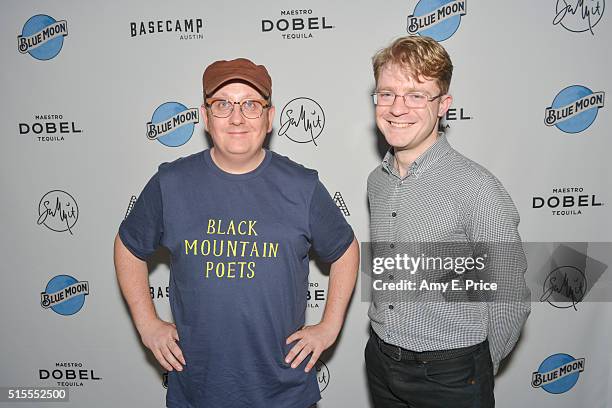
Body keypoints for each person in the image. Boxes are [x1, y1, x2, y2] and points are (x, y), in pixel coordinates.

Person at [114, 57, 359, 408]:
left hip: (283, 391)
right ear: (204, 116)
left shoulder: (302, 187)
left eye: (251, 104)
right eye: (223, 104)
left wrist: (330, 325)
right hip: (198, 390)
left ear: (270, 118)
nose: (237, 117)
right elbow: (128, 247)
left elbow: (346, 250)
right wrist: (147, 323)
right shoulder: (170, 185)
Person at [365, 36, 530, 407]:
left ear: (443, 105)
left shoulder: (476, 186)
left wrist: (478, 366)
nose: (397, 108)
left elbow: (509, 294)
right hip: (380, 362)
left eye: (416, 95)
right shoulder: (377, 181)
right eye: (387, 93)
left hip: (451, 374)